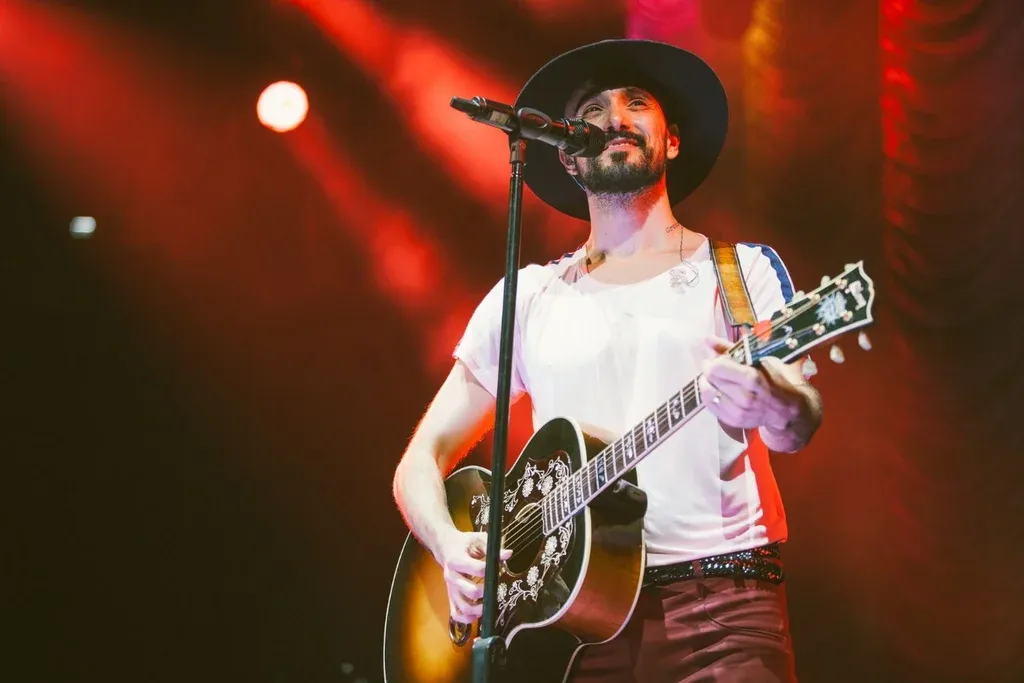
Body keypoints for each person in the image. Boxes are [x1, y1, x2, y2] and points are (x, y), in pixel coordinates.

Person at [391, 38, 822, 682]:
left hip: (722, 612)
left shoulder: (739, 273)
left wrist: (777, 403)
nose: (614, 118)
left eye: (636, 103)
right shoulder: (529, 296)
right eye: (591, 110)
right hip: (574, 630)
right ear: (567, 154)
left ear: (671, 141)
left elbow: (795, 426)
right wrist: (450, 547)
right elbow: (419, 462)